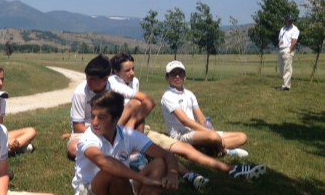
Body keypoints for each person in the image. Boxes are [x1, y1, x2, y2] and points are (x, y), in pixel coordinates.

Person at [111, 53, 266, 181]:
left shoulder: (135, 82)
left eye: (133, 69)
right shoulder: (113, 83)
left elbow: (149, 105)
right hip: (128, 131)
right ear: (116, 72)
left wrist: (209, 129)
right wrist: (210, 134)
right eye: (127, 70)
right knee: (136, 106)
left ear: (185, 76)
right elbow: (152, 105)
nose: (132, 73)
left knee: (179, 150)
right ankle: (201, 170)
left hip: (141, 129)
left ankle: (227, 167)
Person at [71, 90, 179, 195]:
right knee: (112, 172)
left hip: (121, 192)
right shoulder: (88, 137)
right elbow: (104, 162)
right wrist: (142, 179)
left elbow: (166, 155)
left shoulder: (127, 135)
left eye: (102, 117)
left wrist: (172, 173)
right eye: (92, 116)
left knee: (158, 163)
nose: (94, 122)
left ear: (116, 119)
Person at [161, 61, 260, 168]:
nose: (177, 76)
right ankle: (225, 151)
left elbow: (202, 118)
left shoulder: (189, 94)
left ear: (185, 76)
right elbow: (185, 121)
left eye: (180, 73)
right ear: (167, 78)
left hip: (196, 132)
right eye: (173, 74)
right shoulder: (168, 96)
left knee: (242, 137)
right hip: (181, 135)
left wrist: (211, 131)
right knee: (213, 136)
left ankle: (209, 147)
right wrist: (210, 133)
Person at [65, 54, 155, 159]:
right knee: (73, 149)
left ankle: (135, 153)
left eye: (93, 79)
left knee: (136, 104)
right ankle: (124, 150)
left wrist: (132, 122)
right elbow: (77, 127)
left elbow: (150, 101)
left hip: (111, 127)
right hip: (88, 129)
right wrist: (102, 133)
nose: (87, 82)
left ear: (105, 79)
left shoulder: (115, 86)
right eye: (87, 77)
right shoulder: (80, 92)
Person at [0, 63, 36, 154]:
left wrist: (3, 139)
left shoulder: (2, 100)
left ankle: (9, 147)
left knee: (31, 131)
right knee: (4, 141)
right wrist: (4, 141)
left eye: (2, 79)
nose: (1, 83)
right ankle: (15, 148)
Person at [277, 14, 299, 91]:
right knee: (282, 68)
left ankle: (286, 86)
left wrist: (289, 49)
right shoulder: (282, 29)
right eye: (289, 20)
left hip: (288, 49)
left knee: (287, 68)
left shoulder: (294, 29)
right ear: (285, 21)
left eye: (291, 20)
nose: (290, 21)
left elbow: (294, 40)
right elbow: (280, 39)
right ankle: (284, 83)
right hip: (281, 48)